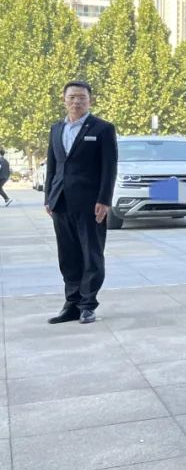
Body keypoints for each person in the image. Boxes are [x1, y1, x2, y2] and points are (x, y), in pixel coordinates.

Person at [43, 81, 118, 324]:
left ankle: (87, 304)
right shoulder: (56, 128)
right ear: (64, 99)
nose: (77, 101)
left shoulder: (103, 129)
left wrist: (104, 200)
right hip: (61, 202)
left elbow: (109, 167)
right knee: (68, 256)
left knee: (91, 254)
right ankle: (72, 304)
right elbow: (53, 166)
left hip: (90, 203)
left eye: (82, 97)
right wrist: (49, 197)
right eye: (72, 97)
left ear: (90, 100)